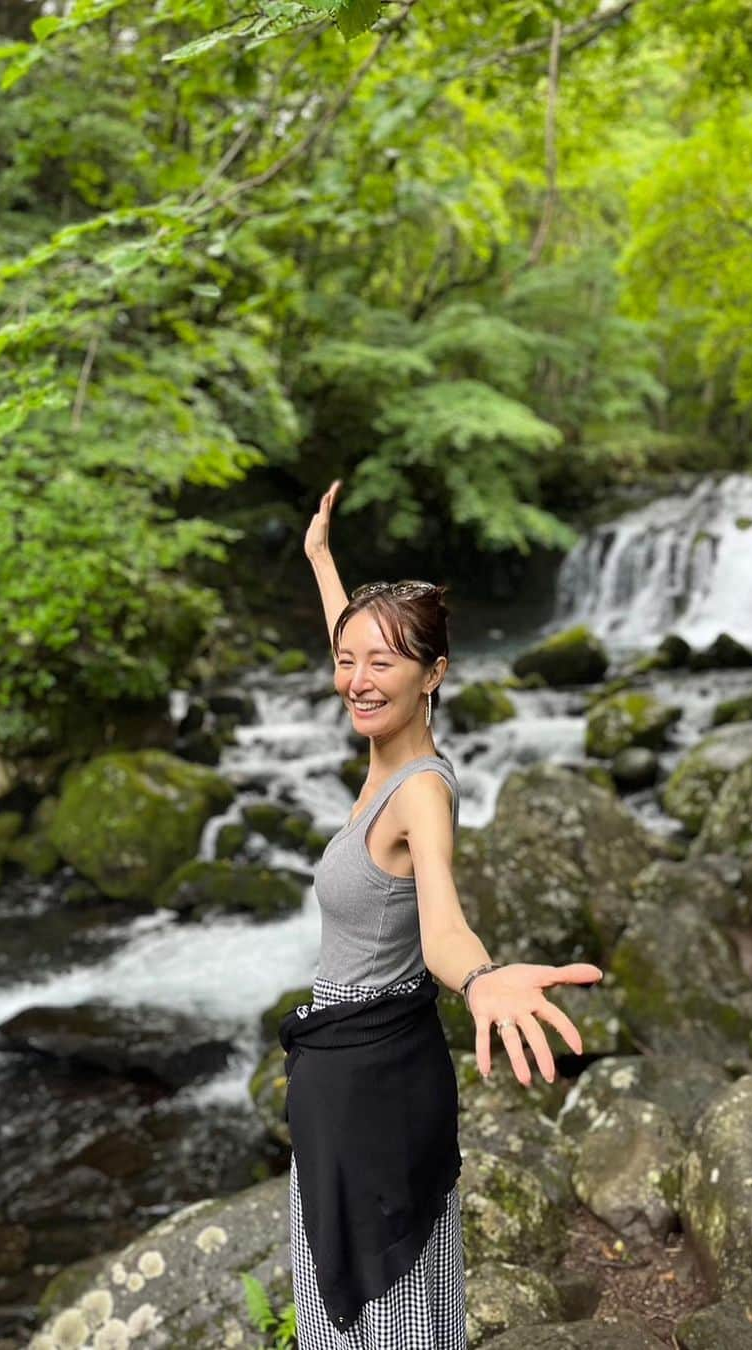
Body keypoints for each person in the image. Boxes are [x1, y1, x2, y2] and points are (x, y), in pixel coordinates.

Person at [280, 478, 603, 1349]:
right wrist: (321, 561)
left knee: (388, 1321)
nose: (355, 679)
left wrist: (484, 978)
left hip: (377, 1088)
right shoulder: (384, 745)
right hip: (341, 1076)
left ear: (434, 676)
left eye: (383, 663)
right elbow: (357, 647)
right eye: (347, 661)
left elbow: (443, 928)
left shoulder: (421, 793)